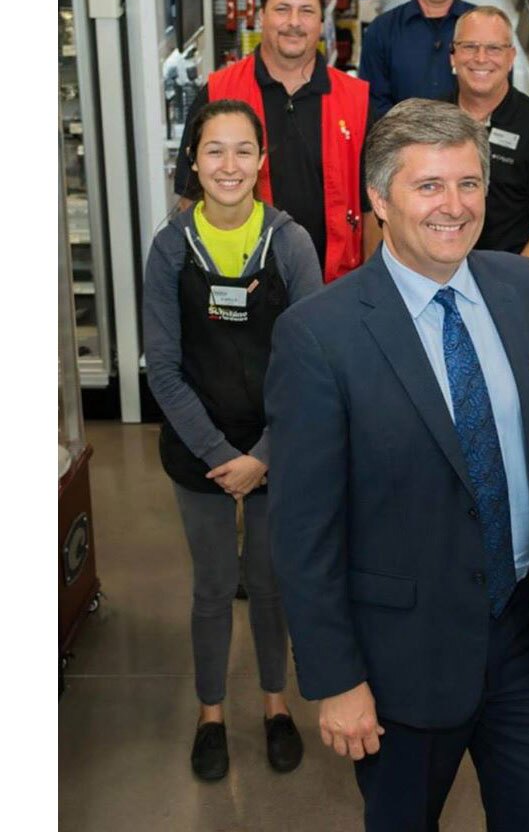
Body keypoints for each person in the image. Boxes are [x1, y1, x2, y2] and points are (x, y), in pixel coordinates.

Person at [266, 99, 529, 831]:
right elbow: (304, 532)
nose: (453, 207)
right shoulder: (319, 337)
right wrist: (337, 678)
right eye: (428, 186)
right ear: (379, 199)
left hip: (526, 632)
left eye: (468, 183)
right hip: (400, 660)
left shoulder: (522, 289)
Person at [144, 100, 322, 782]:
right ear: (194, 160)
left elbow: (312, 360)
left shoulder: (289, 243)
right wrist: (224, 458)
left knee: (272, 582)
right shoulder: (170, 247)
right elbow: (161, 365)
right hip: (200, 449)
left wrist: (267, 456)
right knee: (214, 585)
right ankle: (211, 714)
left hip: (280, 441)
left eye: (242, 150)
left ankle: (276, 706)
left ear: (262, 161)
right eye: (214, 151)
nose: (228, 165)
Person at [174, 0, 378, 282]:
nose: (294, 23)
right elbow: (189, 199)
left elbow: (373, 211)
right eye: (282, 9)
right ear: (261, 16)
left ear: (321, 18)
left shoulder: (357, 100)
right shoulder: (218, 93)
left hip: (334, 291)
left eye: (306, 11)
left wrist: (368, 290)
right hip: (241, 290)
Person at [450, 5, 529, 267]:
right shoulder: (431, 120)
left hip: (504, 281)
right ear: (452, 56)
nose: (481, 58)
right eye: (469, 47)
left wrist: (512, 287)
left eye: (494, 48)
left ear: (511, 57)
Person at [359, 0, 475, 119]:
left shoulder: (484, 28)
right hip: (401, 146)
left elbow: (498, 99)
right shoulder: (382, 31)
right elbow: (374, 106)